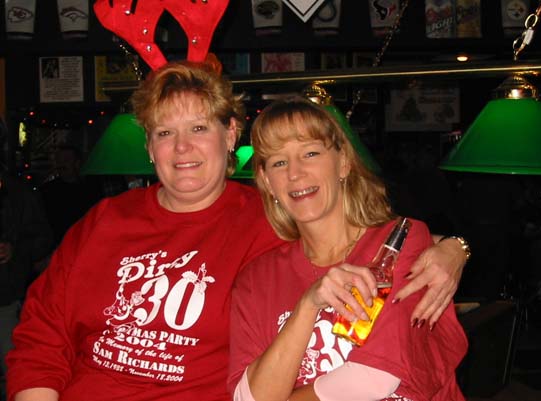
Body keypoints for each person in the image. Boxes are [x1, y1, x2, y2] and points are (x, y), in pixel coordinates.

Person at [6, 61, 467, 401]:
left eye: (199, 127)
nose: (182, 147)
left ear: (230, 136)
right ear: (148, 146)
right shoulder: (104, 221)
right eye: (164, 133)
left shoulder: (269, 219)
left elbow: (354, 236)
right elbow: (42, 339)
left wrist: (453, 248)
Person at [228, 97, 467, 401]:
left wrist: (458, 246)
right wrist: (308, 305)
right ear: (266, 181)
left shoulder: (398, 240)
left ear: (343, 163)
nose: (295, 173)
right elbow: (247, 398)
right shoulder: (256, 279)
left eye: (310, 153)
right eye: (278, 162)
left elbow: (374, 378)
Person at [0, 169, 54, 400]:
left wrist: (15, 248)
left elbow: (42, 239)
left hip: (5, 297)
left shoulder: (18, 193)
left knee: (13, 369)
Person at [39, 145, 104, 248]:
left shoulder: (90, 189)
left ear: (77, 163)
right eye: (59, 160)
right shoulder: (47, 191)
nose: (61, 164)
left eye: (66, 160)